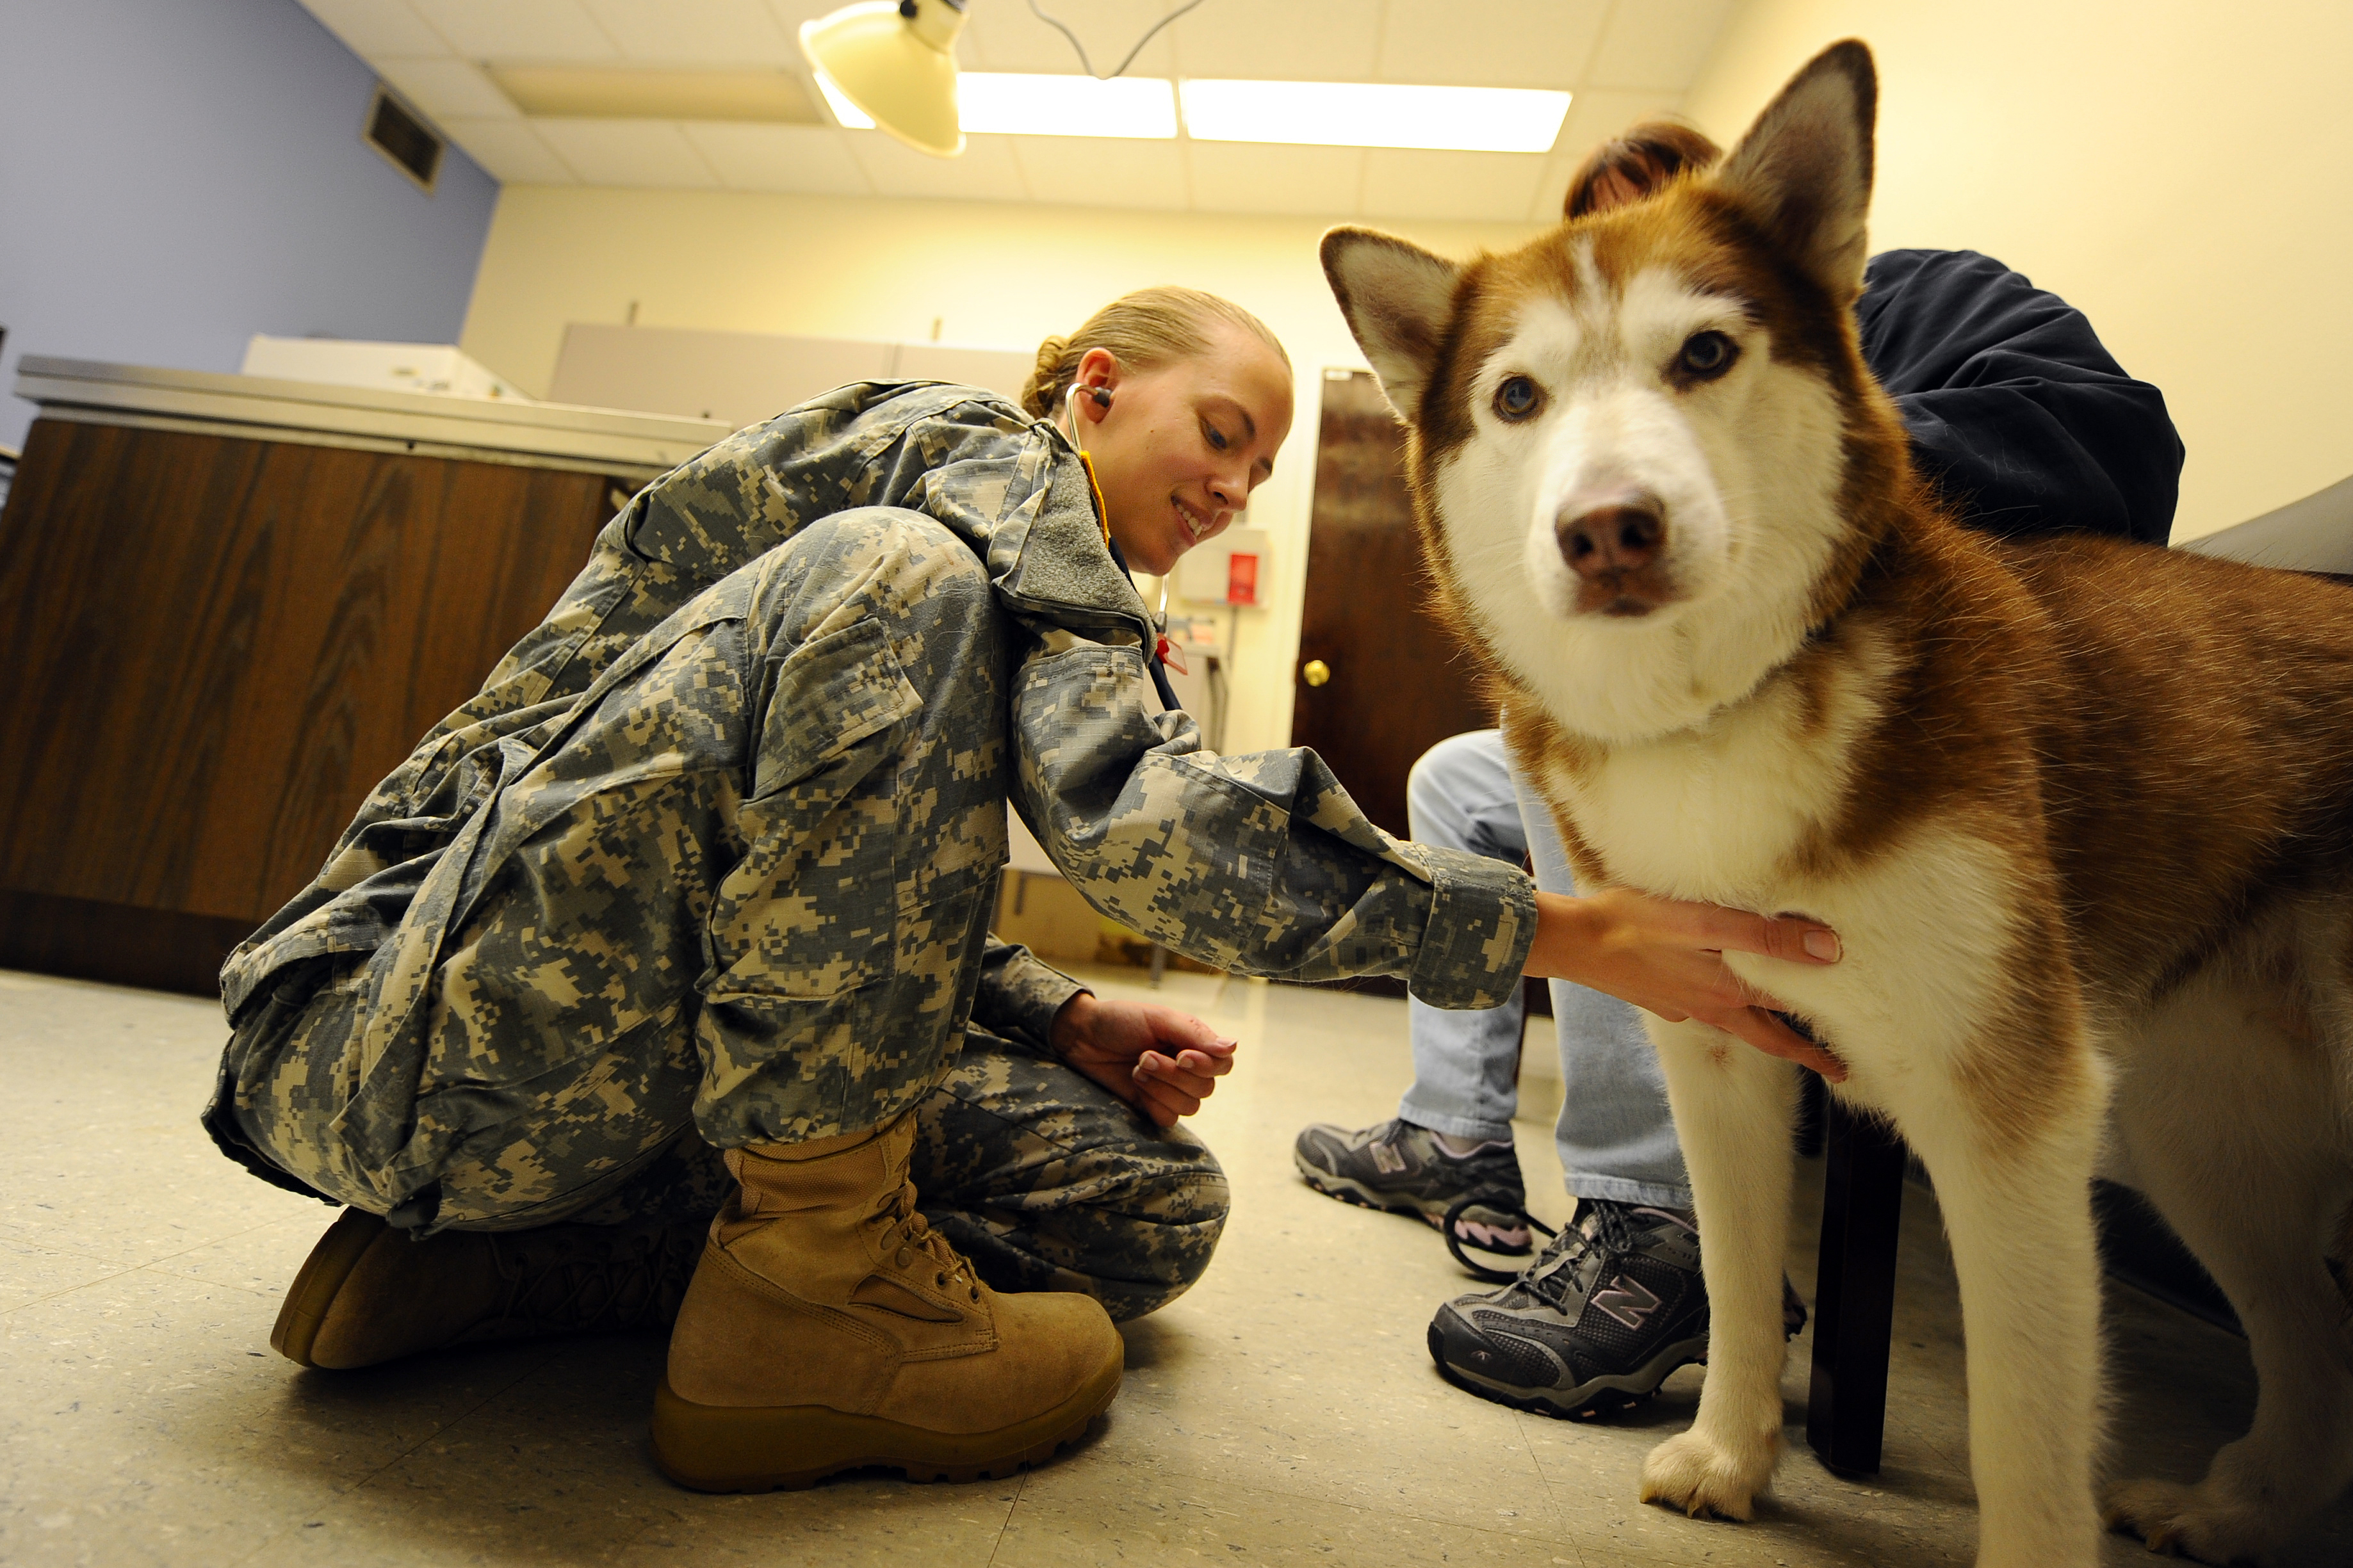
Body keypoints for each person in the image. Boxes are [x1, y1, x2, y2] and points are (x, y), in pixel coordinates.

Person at [202, 279, 1842, 1493]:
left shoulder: (997, 600)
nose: (1232, 491)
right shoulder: (961, 465)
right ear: (1098, 389)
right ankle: (804, 1290)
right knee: (889, 576)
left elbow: (762, 890)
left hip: (570, 1063)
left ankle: (523, 1261)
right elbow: (1143, 825)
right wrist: (1564, 930)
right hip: (396, 1026)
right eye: (1221, 433)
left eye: (1260, 470)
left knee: (1146, 1210)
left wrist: (1050, 1010)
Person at [1294, 120, 2186, 1421]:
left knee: (1602, 783)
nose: (1614, 273)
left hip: (1877, 689)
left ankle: (1643, 1215)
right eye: (1578, 261)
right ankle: (1456, 1129)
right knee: (1457, 778)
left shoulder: (1920, 294)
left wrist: (1778, 477)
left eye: (1675, 284)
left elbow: (2118, 440)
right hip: (1666, 677)